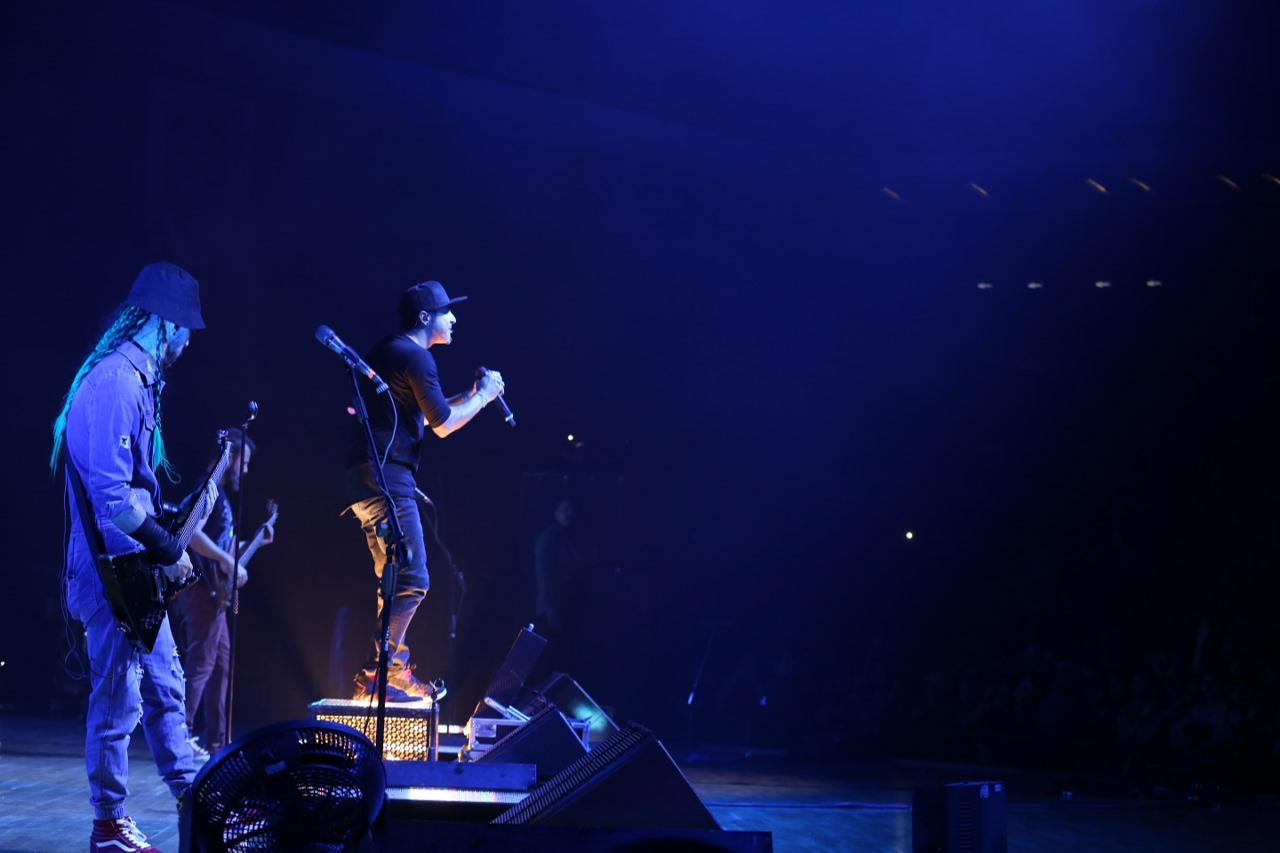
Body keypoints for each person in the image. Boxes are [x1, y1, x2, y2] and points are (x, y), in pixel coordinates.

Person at [51, 262, 209, 853]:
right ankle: (108, 825)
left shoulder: (138, 382)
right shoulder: (115, 384)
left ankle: (194, 802)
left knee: (166, 687)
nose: (189, 343)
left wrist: (171, 529)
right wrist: (167, 550)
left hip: (134, 573)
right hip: (111, 576)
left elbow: (133, 494)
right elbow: (113, 500)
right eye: (186, 329)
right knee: (118, 697)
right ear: (164, 324)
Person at [343, 279, 504, 701]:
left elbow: (432, 413)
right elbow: (444, 425)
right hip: (387, 477)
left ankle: (389, 670)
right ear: (424, 317)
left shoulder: (391, 350)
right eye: (447, 312)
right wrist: (485, 397)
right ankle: (379, 672)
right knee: (413, 578)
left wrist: (470, 393)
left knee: (395, 577)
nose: (454, 319)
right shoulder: (417, 357)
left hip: (365, 477)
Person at [169, 428, 273, 759]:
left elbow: (223, 550)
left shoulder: (221, 499)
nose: (246, 469)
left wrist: (255, 542)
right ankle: (180, 735)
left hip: (214, 592)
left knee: (221, 665)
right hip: (200, 588)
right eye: (244, 461)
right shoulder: (208, 490)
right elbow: (191, 534)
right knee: (202, 663)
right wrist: (228, 560)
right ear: (228, 458)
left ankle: (217, 743)